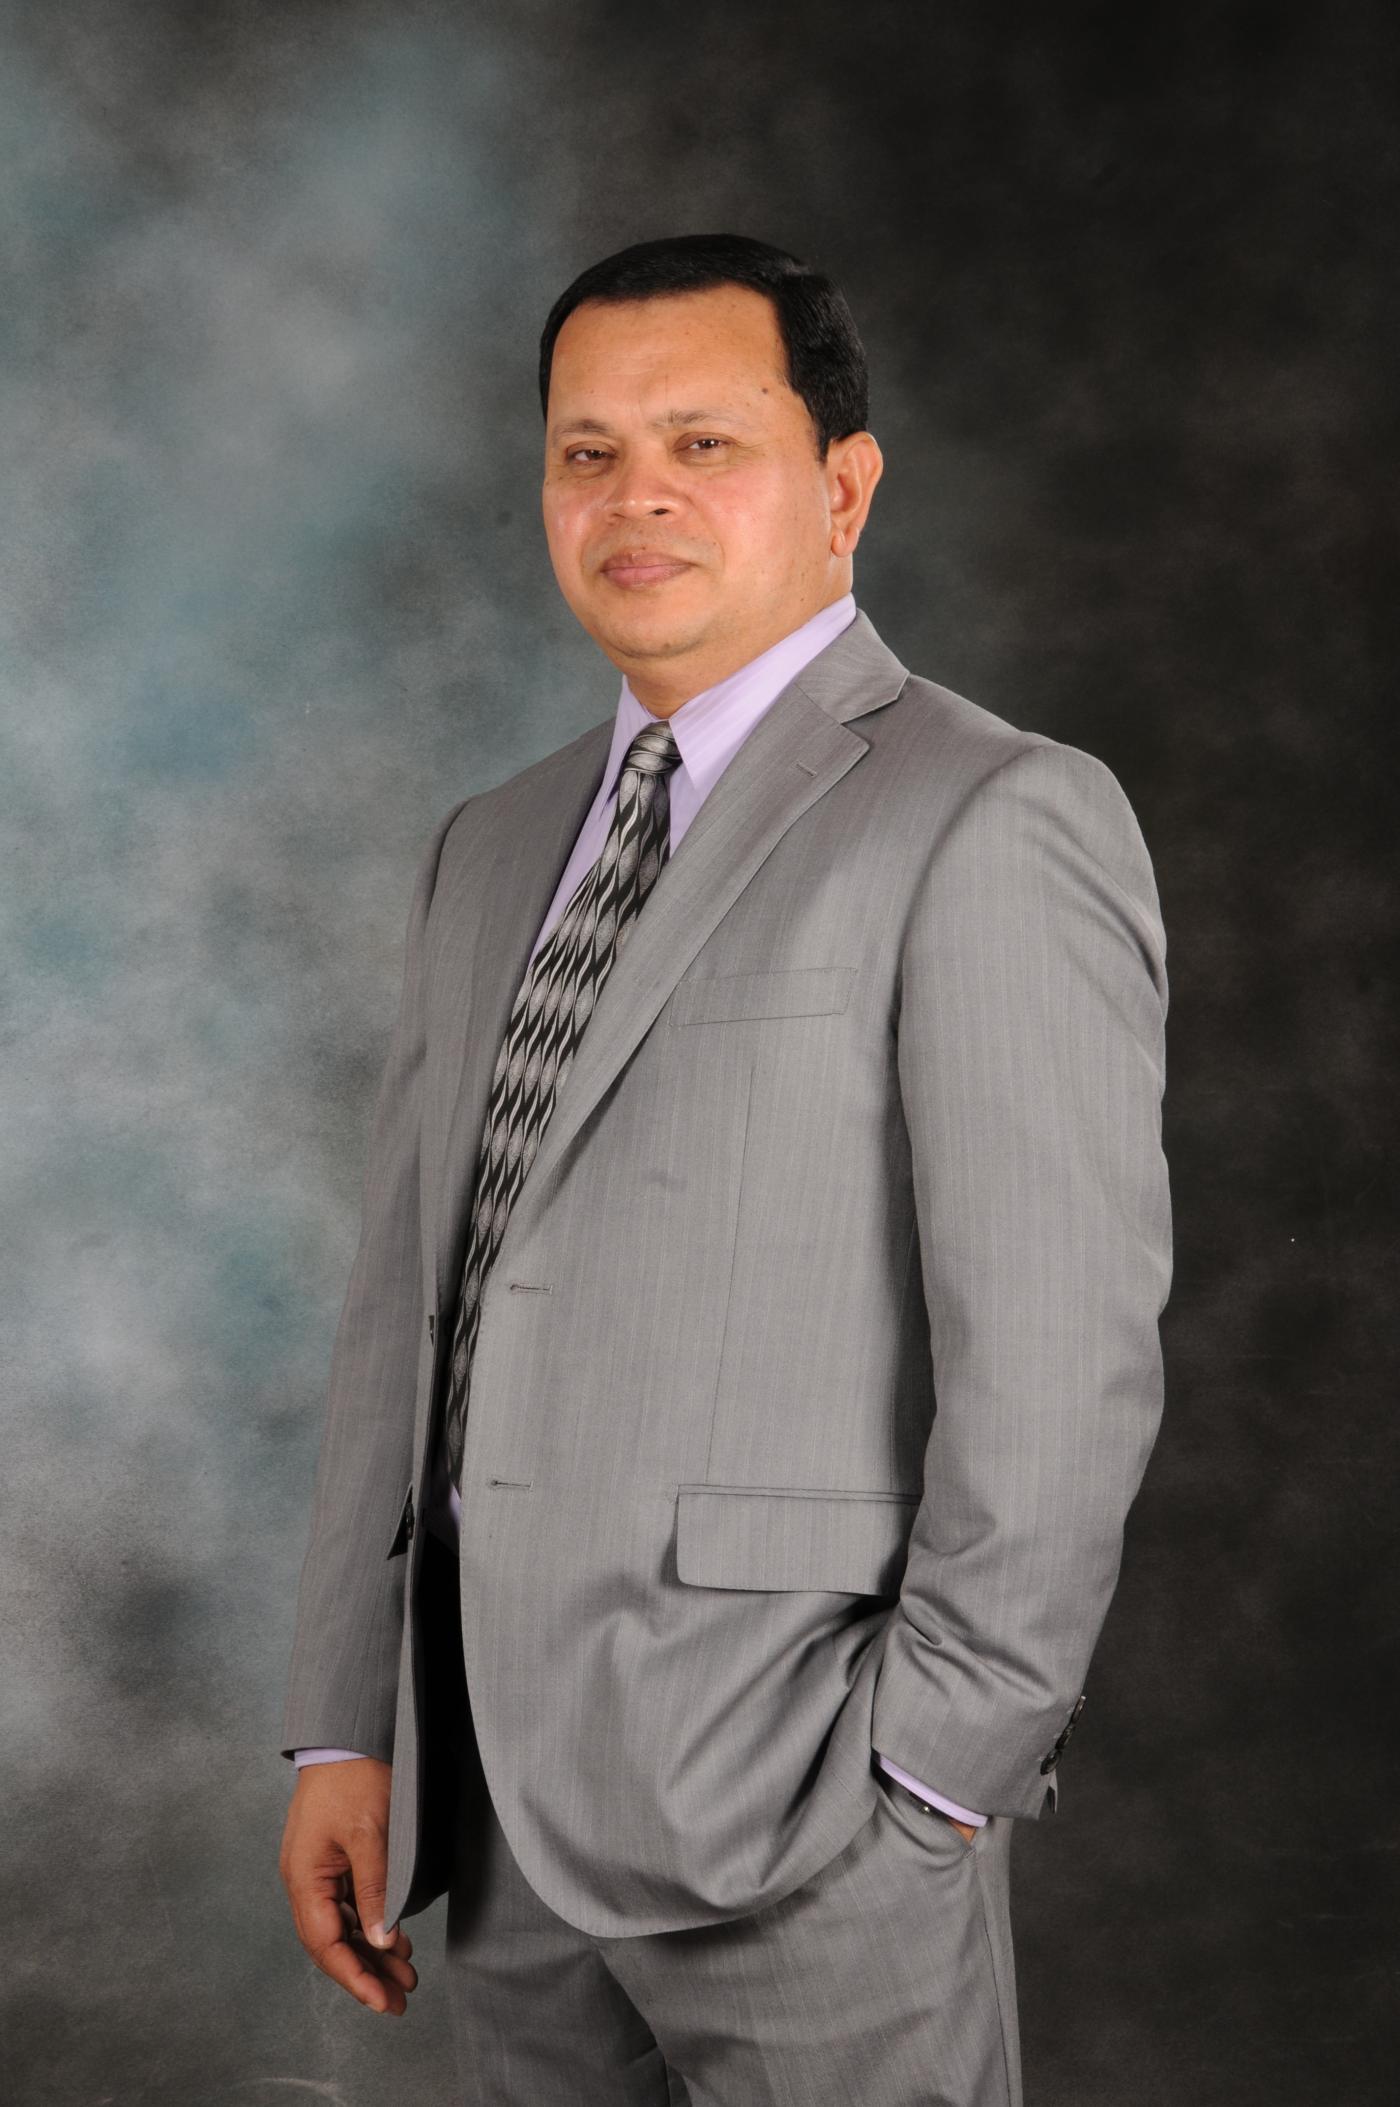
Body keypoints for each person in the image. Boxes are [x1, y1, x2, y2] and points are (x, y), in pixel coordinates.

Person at [277, 232, 1173, 2107]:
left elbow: (1060, 1356)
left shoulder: (994, 815)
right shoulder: (486, 846)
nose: (638, 497)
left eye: (704, 443)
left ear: (844, 487)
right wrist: (345, 1730)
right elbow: (404, 1318)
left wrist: (933, 1776)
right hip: (491, 1812)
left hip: (808, 1814)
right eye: (588, 452)